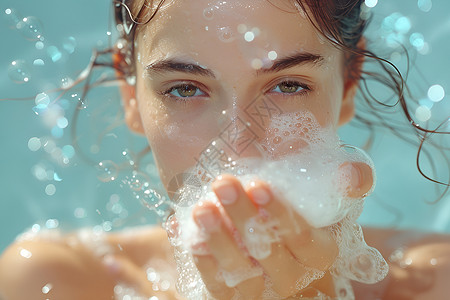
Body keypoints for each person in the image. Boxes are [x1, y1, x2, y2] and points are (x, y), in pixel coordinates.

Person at [0, 0, 449, 299]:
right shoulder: (52, 281)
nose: (239, 150)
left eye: (288, 85)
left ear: (348, 86)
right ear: (129, 94)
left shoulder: (436, 280)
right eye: (185, 89)